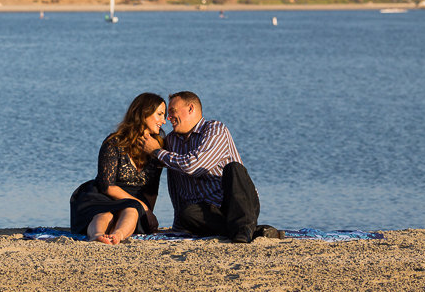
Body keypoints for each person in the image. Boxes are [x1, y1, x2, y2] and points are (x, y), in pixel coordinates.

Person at [149, 91, 282, 243]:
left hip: (236, 203)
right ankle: (252, 231)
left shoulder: (215, 129)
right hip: (207, 212)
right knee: (187, 214)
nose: (168, 118)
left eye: (172, 111)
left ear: (191, 108)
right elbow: (175, 184)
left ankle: (243, 229)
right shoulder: (172, 141)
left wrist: (157, 151)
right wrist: (178, 223)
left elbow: (194, 166)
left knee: (234, 169)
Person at [70, 93, 166, 244]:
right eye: (159, 114)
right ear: (143, 113)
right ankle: (97, 235)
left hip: (133, 204)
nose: (164, 121)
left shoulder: (160, 146)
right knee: (105, 214)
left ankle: (117, 236)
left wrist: (148, 212)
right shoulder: (114, 142)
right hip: (102, 196)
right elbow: (108, 187)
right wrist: (144, 207)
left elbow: (154, 188)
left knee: (131, 211)